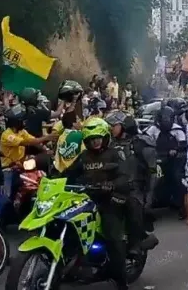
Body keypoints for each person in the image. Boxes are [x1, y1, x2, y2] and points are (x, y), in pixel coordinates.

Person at [63, 118, 133, 290]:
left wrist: (112, 185)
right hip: (87, 200)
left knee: (113, 238)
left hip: (109, 200)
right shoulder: (84, 157)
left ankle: (121, 281)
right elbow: (68, 173)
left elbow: (125, 176)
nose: (95, 141)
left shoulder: (114, 153)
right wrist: (50, 178)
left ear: (105, 138)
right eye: (91, 139)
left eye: (98, 138)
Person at [105, 111, 159, 254]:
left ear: (124, 126)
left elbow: (153, 172)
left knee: (132, 205)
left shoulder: (140, 143)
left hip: (134, 189)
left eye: (113, 125)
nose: (110, 128)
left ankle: (138, 241)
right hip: (111, 186)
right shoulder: (107, 143)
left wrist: (149, 198)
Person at [0, 104, 56, 198]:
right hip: (7, 169)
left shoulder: (21, 132)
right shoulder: (7, 135)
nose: (25, 122)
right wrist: (46, 137)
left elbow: (34, 141)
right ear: (17, 122)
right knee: (7, 196)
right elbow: (26, 142)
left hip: (19, 166)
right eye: (23, 121)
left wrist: (46, 150)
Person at [146, 106, 187, 217]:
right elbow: (145, 141)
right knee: (150, 181)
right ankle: (148, 207)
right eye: (164, 119)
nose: (166, 121)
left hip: (174, 161)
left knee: (178, 179)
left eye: (168, 119)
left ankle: (182, 205)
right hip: (156, 160)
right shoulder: (153, 129)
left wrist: (176, 150)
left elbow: (183, 143)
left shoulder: (177, 129)